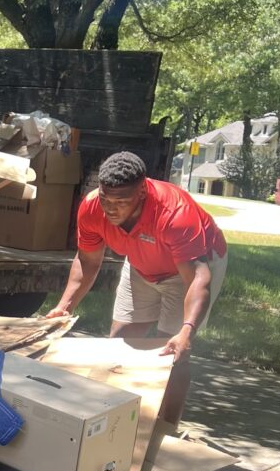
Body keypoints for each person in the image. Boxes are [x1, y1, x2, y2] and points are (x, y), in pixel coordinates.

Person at [46, 152, 228, 424]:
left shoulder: (175, 213)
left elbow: (197, 278)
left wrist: (186, 331)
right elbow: (87, 261)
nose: (110, 208)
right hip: (142, 264)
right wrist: (64, 307)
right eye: (106, 198)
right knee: (118, 341)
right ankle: (114, 420)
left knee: (171, 355)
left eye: (121, 201)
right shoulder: (93, 207)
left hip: (190, 269)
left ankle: (165, 429)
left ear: (142, 191)